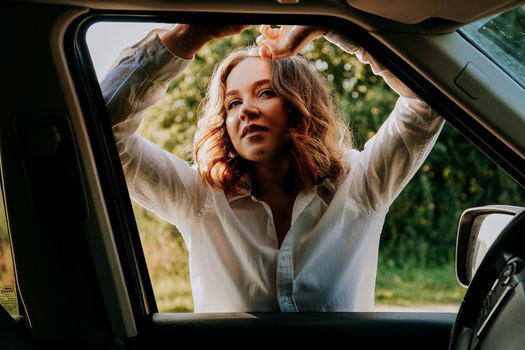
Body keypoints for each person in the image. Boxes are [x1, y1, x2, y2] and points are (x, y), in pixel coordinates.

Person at [101, 24, 444, 312]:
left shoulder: (360, 185)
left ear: (300, 105)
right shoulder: (197, 197)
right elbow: (101, 129)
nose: (245, 111)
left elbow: (427, 100)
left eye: (264, 93)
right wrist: (191, 35)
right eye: (233, 103)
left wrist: (330, 25)